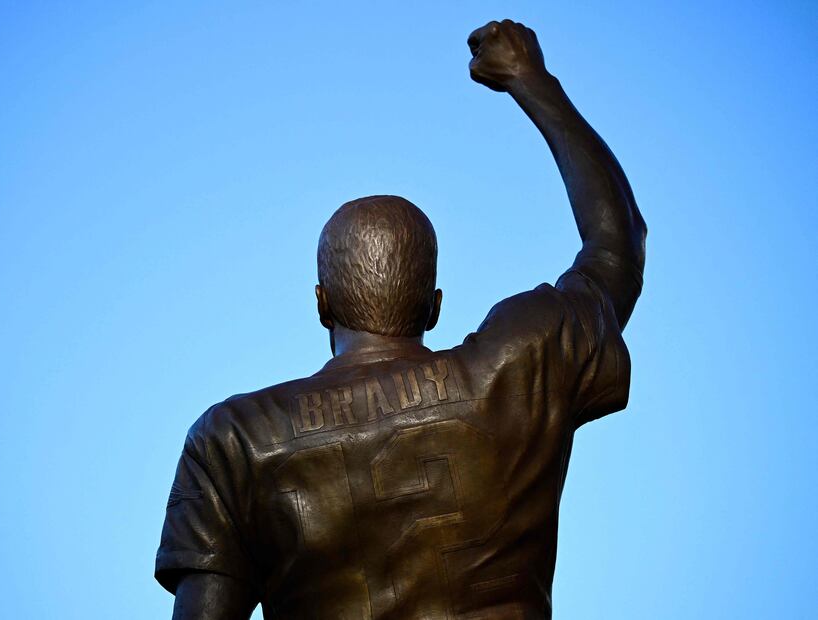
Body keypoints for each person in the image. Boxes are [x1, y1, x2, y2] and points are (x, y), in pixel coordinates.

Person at [155, 18, 647, 620]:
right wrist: (531, 79)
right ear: (434, 305)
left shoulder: (232, 439)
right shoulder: (523, 364)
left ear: (321, 304)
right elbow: (617, 245)